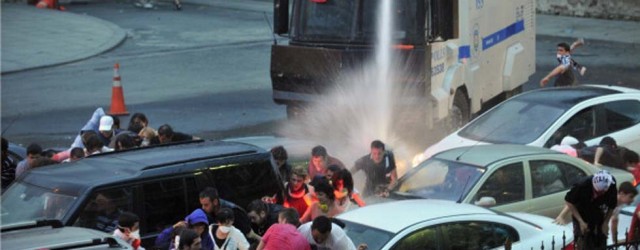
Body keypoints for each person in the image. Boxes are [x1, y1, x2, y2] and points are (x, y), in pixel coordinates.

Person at [565, 170, 617, 249]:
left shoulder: (611, 185)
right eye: (597, 192)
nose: (598, 195)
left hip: (598, 211)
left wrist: (606, 222)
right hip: (581, 211)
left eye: (602, 193)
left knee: (601, 236)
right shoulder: (582, 185)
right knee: (582, 238)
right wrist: (580, 221)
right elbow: (569, 201)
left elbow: (612, 205)